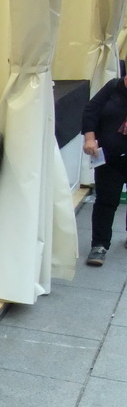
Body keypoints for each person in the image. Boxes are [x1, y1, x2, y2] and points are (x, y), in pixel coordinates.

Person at [82, 74, 127, 266]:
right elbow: (91, 111)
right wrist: (89, 138)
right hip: (110, 156)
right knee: (106, 201)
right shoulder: (113, 86)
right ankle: (99, 245)